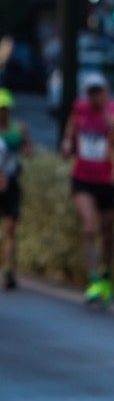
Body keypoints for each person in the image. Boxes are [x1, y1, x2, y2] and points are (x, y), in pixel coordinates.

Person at [60, 72, 114, 306]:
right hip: (83, 176)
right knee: (89, 227)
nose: (94, 97)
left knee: (107, 233)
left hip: (107, 179)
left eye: (98, 91)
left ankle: (107, 273)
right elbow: (71, 132)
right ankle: (93, 279)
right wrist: (67, 144)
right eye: (91, 92)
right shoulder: (80, 108)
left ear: (106, 91)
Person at [0, 88, 34, 291]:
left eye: (5, 108)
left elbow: (28, 149)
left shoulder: (18, 128)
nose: (2, 112)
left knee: (11, 229)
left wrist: (25, 150)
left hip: (11, 183)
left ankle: (8, 269)